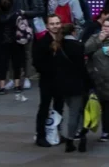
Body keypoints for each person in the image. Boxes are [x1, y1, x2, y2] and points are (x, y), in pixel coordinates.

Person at [55, 22, 90, 152]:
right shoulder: (78, 46)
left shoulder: (58, 45)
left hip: (63, 84)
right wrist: (89, 83)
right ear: (73, 32)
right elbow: (82, 68)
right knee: (76, 112)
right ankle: (74, 138)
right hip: (77, 84)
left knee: (74, 110)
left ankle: (78, 136)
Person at [30, 14, 63, 147]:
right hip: (47, 79)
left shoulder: (62, 39)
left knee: (59, 107)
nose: (55, 26)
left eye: (57, 23)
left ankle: (56, 132)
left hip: (60, 79)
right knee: (44, 106)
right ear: (47, 26)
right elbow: (36, 61)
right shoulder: (43, 41)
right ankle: (41, 135)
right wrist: (48, 70)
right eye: (52, 24)